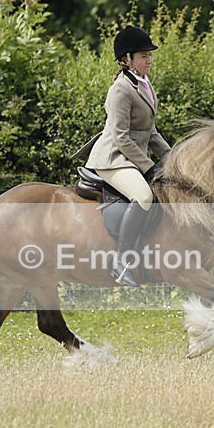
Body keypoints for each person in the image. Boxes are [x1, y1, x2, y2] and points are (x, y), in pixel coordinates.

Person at [75, 26, 171, 286]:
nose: (149, 60)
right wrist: (149, 167)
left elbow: (150, 131)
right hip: (113, 159)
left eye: (149, 55)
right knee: (143, 196)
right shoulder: (121, 89)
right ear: (126, 59)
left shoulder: (144, 85)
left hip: (131, 158)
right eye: (143, 56)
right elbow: (121, 137)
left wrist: (174, 159)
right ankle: (121, 260)